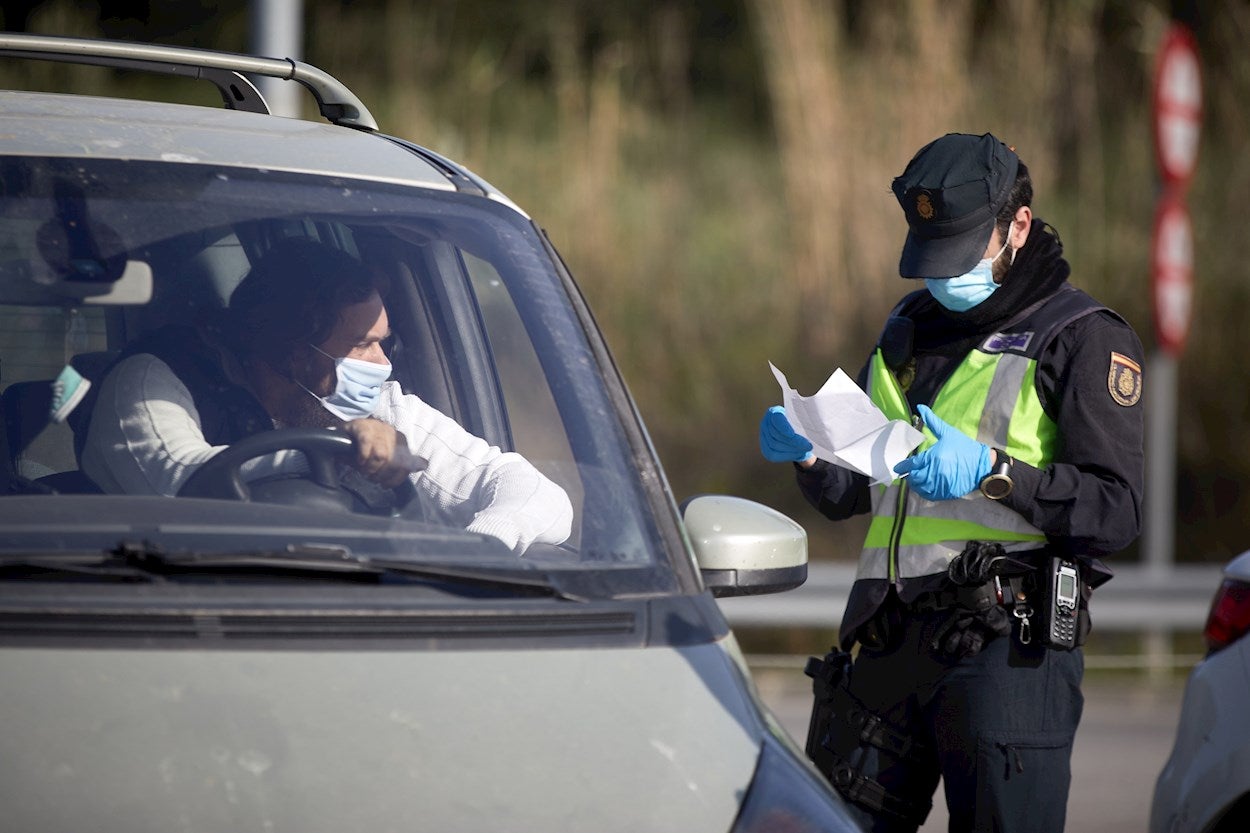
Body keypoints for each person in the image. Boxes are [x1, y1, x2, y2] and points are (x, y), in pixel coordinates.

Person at [759, 133, 1144, 832]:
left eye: (961, 253)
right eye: (932, 256)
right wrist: (812, 456)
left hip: (1005, 652)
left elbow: (1115, 512)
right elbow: (856, 493)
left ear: (1017, 226)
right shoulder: (908, 329)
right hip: (888, 640)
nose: (942, 276)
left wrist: (995, 473)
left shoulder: (1082, 338)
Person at [81, 238, 573, 555]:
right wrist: (333, 455)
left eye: (383, 342)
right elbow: (175, 485)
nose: (382, 364)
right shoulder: (150, 383)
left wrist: (481, 552)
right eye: (361, 344)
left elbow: (532, 491)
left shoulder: (375, 406)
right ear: (293, 353)